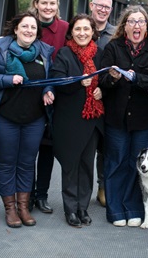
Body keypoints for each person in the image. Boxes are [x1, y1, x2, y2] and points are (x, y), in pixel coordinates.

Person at [0, 12, 54, 228]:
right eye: (24, 26)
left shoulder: (44, 51)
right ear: (15, 29)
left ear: (37, 32)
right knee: (7, 163)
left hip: (34, 119)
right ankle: (10, 210)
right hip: (5, 118)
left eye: (33, 28)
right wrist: (8, 79)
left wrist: (48, 89)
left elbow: (50, 78)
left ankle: (24, 207)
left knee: (27, 164)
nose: (29, 31)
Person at [100, 5, 148, 227]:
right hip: (116, 117)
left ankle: (133, 207)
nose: (136, 25)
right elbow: (102, 80)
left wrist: (135, 77)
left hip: (144, 118)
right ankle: (115, 209)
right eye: (132, 22)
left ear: (146, 28)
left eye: (140, 22)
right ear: (124, 27)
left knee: (136, 163)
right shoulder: (113, 48)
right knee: (115, 161)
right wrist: (113, 79)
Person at [51, 14, 104, 228]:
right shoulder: (64, 54)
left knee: (86, 164)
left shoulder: (100, 54)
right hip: (70, 119)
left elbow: (108, 79)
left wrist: (103, 90)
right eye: (77, 29)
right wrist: (78, 82)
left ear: (93, 32)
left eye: (86, 29)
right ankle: (70, 209)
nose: (82, 33)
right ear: (71, 32)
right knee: (71, 164)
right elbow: (57, 81)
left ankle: (83, 207)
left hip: (92, 119)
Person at [28, 0, 69, 214]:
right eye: (44, 3)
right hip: (28, 95)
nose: (48, 7)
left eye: (52, 3)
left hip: (55, 96)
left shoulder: (65, 28)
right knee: (26, 149)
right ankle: (26, 194)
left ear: (57, 6)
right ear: (36, 4)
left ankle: (41, 195)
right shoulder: (26, 25)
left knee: (46, 148)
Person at [89, 0, 116, 207]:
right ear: (91, 5)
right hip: (84, 96)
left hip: (108, 95)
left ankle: (103, 186)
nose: (103, 10)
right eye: (100, 5)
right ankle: (82, 189)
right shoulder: (80, 29)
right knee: (86, 144)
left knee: (106, 146)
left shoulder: (115, 34)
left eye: (107, 7)